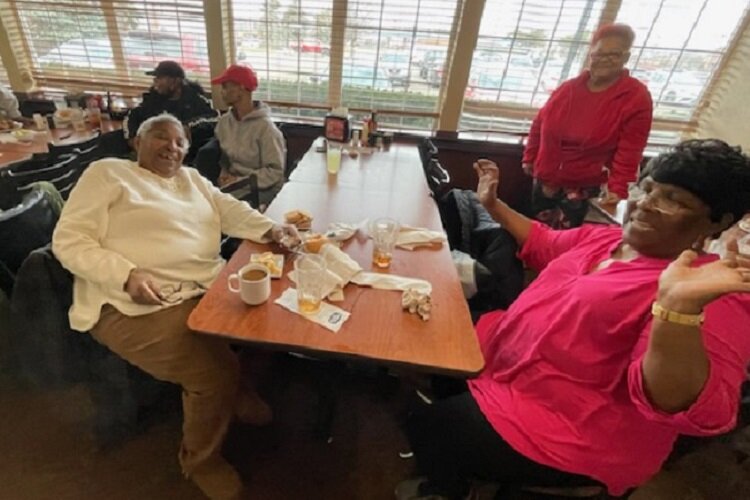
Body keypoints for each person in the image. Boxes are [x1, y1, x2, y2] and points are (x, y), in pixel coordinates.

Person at [399, 139, 750, 499]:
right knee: (434, 333)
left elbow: (679, 402)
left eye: (673, 199)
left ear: (718, 220)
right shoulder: (609, 239)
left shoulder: (710, 292)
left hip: (572, 429)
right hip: (509, 365)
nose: (645, 204)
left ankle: (448, 488)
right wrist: (493, 205)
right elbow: (544, 241)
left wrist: (678, 308)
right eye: (646, 188)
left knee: (430, 426)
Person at [52, 113, 299, 500]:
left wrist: (271, 229)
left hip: (200, 286)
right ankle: (201, 460)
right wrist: (126, 274)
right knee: (210, 373)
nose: (173, 146)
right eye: (160, 138)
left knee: (269, 312)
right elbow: (69, 241)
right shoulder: (108, 174)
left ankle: (233, 390)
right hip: (131, 302)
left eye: (180, 141)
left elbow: (227, 209)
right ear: (136, 141)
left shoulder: (192, 179)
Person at [523, 23, 653, 229]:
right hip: (546, 178)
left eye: (614, 55)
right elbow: (540, 122)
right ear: (591, 54)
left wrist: (617, 190)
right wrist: (530, 156)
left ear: (626, 57)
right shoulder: (569, 88)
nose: (604, 60)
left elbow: (630, 151)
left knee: (566, 242)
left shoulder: (636, 97)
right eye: (599, 54)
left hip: (585, 187)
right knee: (535, 235)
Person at [210, 64, 286, 207]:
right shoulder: (224, 122)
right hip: (234, 187)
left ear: (241, 88)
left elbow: (275, 172)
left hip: (263, 190)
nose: (222, 92)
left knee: (218, 208)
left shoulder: (266, 128)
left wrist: (239, 180)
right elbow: (224, 158)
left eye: (226, 87)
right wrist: (224, 174)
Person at [124, 60, 218, 149]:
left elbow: (213, 118)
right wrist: (132, 138)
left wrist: (186, 127)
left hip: (185, 148)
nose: (156, 82)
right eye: (155, 78)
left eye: (160, 78)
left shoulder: (195, 99)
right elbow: (131, 116)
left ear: (175, 81)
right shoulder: (152, 100)